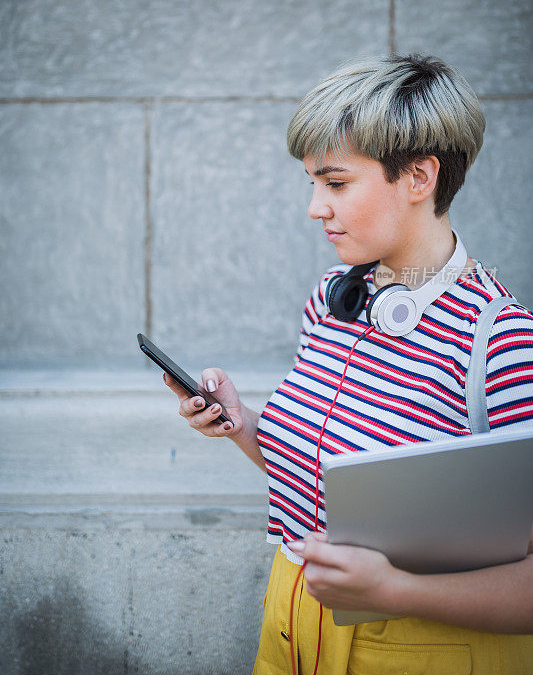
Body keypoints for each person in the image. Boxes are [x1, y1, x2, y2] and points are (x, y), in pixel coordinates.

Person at [164, 53, 533, 674]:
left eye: (334, 183)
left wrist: (395, 591)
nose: (315, 206)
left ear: (419, 177)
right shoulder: (332, 299)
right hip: (289, 629)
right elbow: (330, 481)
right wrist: (243, 424)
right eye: (312, 183)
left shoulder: (504, 343)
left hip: (420, 647)